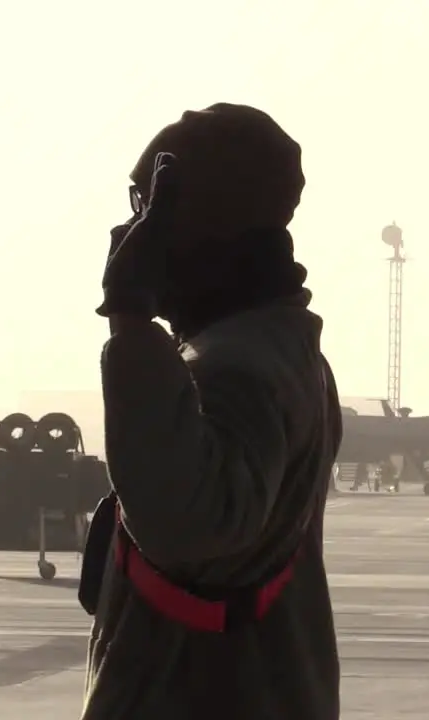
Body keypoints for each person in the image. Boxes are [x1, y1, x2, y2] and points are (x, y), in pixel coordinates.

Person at [77, 103, 342, 720]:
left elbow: (188, 525)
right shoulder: (269, 349)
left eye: (148, 211)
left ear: (202, 226)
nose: (127, 235)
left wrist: (131, 317)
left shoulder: (239, 370)